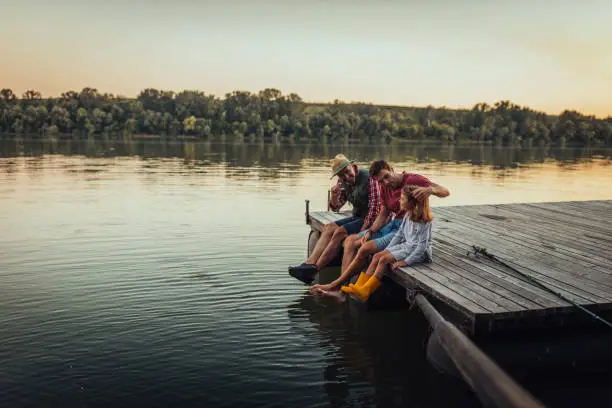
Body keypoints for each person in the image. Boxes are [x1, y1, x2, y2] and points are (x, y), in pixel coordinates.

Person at [311, 160, 448, 294]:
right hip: (392, 225)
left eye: (386, 177)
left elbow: (445, 191)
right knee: (350, 241)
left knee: (365, 248)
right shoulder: (384, 187)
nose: (385, 183)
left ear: (391, 169)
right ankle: (343, 287)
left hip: (405, 228)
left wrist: (430, 190)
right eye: (381, 181)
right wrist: (370, 231)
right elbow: (384, 213)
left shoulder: (414, 179)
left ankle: (337, 286)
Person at [288, 154, 382, 284]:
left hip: (372, 220)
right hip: (357, 216)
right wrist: (334, 195)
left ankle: (315, 269)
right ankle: (308, 264)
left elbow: (375, 210)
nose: (346, 177)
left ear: (353, 166)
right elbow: (336, 208)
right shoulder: (342, 181)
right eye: (341, 175)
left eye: (347, 172)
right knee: (329, 227)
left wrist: (363, 232)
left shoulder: (370, 178)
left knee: (340, 232)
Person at [340, 184, 434, 302]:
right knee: (377, 256)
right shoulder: (407, 216)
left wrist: (406, 262)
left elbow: (421, 247)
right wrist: (387, 249)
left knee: (383, 260)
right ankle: (359, 287)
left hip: (420, 253)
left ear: (412, 202)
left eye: (403, 198)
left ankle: (366, 291)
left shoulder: (424, 221)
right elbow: (400, 234)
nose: (400, 200)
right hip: (407, 246)